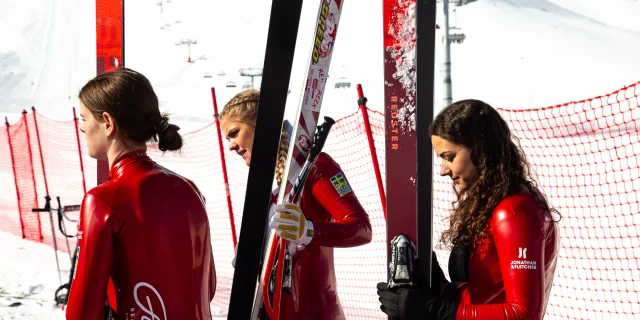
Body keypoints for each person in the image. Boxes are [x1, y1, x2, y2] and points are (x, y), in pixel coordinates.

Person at [377, 99, 560, 320]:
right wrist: (441, 290)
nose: (443, 170)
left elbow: (523, 314)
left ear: (480, 150)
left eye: (449, 157)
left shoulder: (513, 212)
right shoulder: (493, 202)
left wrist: (438, 311)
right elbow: (488, 292)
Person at [66, 68, 216, 320]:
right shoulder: (189, 188)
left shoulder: (103, 201)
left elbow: (82, 312)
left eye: (84, 118)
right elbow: (206, 288)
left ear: (107, 122)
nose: (82, 128)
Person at [219, 89, 373, 319]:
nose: (231, 145)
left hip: (313, 312)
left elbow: (362, 229)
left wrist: (307, 230)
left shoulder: (316, 166)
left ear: (260, 124)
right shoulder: (271, 191)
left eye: (234, 133)